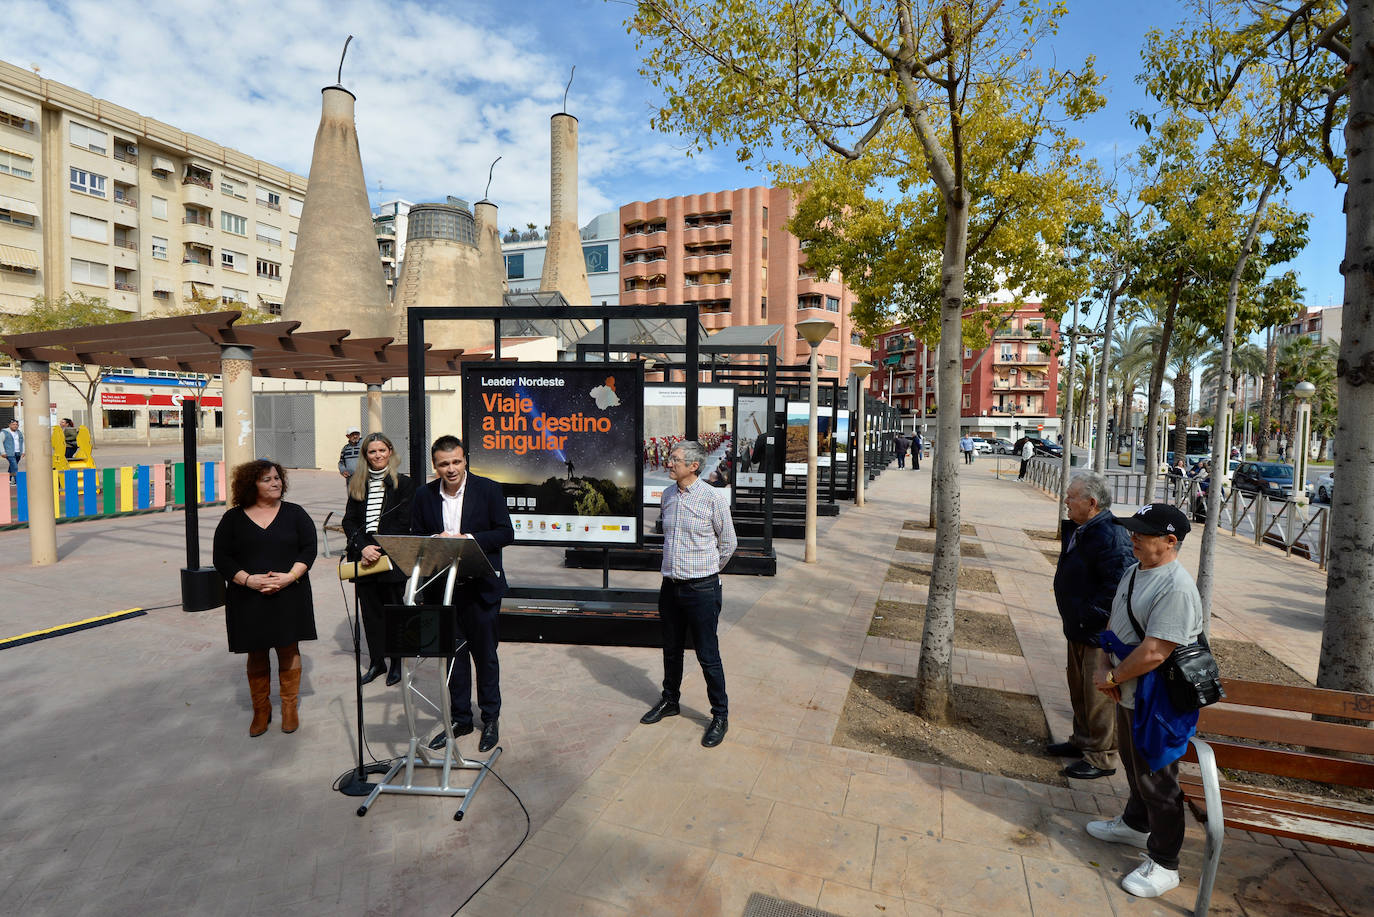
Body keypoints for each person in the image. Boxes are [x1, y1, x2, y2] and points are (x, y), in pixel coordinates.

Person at [1086, 503, 1205, 899]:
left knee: (1158, 780)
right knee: (1134, 765)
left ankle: (1165, 862)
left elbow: (1156, 651)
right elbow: (1113, 623)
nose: (1132, 537)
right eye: (1132, 530)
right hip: (1128, 689)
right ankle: (1135, 823)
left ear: (1170, 542)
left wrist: (1112, 677)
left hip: (1158, 699)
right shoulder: (1135, 570)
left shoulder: (1176, 587)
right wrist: (1107, 664)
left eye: (1142, 533)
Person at [411, 435, 514, 754]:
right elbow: (415, 536)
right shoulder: (423, 495)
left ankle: (491, 718)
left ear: (465, 459)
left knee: (485, 657)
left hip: (481, 588)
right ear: (435, 466)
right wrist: (436, 539)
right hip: (444, 591)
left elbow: (505, 533)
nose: (451, 469)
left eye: (456, 461)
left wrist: (466, 539)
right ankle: (460, 719)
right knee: (451, 659)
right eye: (444, 464)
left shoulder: (489, 489)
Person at [640, 440, 738, 748]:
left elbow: (729, 544)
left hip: (702, 589)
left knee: (708, 655)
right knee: (671, 649)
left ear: (693, 466)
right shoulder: (668, 495)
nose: (669, 463)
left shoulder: (712, 498)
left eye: (675, 460)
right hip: (670, 587)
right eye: (670, 459)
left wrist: (708, 571)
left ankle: (719, 715)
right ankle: (671, 700)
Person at [212, 460, 317, 737]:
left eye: (277, 478)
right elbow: (221, 558)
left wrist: (289, 577)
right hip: (248, 596)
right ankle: (261, 709)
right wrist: (248, 580)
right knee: (256, 653)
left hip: (290, 593)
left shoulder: (295, 514)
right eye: (267, 479)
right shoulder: (232, 519)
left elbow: (308, 550)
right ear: (251, 485)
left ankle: (289, 707)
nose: (275, 483)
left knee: (288, 649)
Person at [1049, 472, 1135, 779]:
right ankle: (1082, 741)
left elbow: (1115, 589)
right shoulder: (1083, 528)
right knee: (1080, 692)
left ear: (1092, 503)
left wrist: (1086, 615)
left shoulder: (1111, 536)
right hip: (1078, 628)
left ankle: (1101, 756)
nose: (1066, 501)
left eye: (1072, 497)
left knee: (1098, 696)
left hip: (1096, 633)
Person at [342, 432, 416, 688]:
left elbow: (405, 522)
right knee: (370, 613)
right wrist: (363, 547)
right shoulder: (356, 482)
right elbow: (349, 520)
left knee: (394, 611)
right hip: (364, 557)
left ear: (390, 452)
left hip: (391, 557)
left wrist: (378, 548)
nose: (377, 455)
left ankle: (396, 662)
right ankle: (377, 661)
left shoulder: (404, 484)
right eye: (372, 452)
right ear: (365, 455)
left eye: (382, 450)